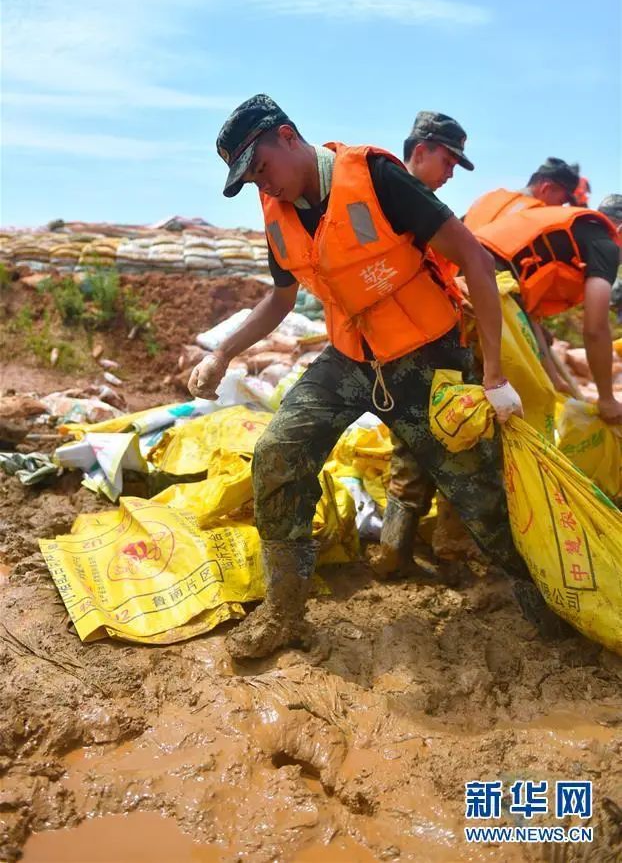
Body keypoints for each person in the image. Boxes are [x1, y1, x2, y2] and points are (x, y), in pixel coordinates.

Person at [188, 94, 565, 659]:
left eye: (262, 168)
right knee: (277, 452)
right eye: (251, 181)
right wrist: (223, 353)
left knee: (482, 494)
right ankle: (284, 613)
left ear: (288, 136)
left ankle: (554, 608)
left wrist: (493, 374)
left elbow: (475, 259)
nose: (263, 186)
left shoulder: (378, 178)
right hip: (350, 358)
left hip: (426, 357)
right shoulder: (277, 211)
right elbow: (281, 299)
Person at [376, 111, 477, 580]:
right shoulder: (412, 205)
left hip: (394, 352)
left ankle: (392, 553)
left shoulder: (383, 204)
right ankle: (452, 558)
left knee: (409, 449)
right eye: (449, 161)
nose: (452, 172)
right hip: (431, 351)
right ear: (421, 151)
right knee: (460, 446)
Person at [472, 201, 622, 423]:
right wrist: (607, 400)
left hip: (468, 275)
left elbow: (529, 313)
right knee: (527, 397)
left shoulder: (570, 233)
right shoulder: (605, 245)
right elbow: (595, 329)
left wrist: (554, 378)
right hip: (488, 284)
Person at [463, 157, 579, 231]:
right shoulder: (534, 217)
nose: (560, 208)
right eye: (561, 202)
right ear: (546, 188)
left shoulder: (489, 200)